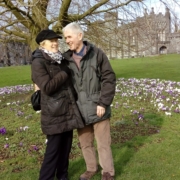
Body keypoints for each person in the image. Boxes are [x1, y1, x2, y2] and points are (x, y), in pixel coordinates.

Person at [62, 22, 116, 180]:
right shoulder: (66, 59)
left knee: (103, 143)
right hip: (79, 110)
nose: (67, 40)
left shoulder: (97, 54)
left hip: (98, 108)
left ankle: (107, 172)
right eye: (65, 38)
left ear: (80, 35)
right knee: (85, 143)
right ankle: (91, 168)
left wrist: (103, 103)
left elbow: (109, 78)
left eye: (69, 37)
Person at [31, 29, 84, 180]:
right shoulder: (38, 62)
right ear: (43, 44)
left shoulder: (60, 58)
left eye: (56, 40)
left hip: (68, 109)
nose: (55, 43)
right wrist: (64, 73)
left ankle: (62, 176)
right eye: (51, 41)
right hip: (53, 113)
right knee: (53, 151)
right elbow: (47, 87)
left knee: (65, 149)